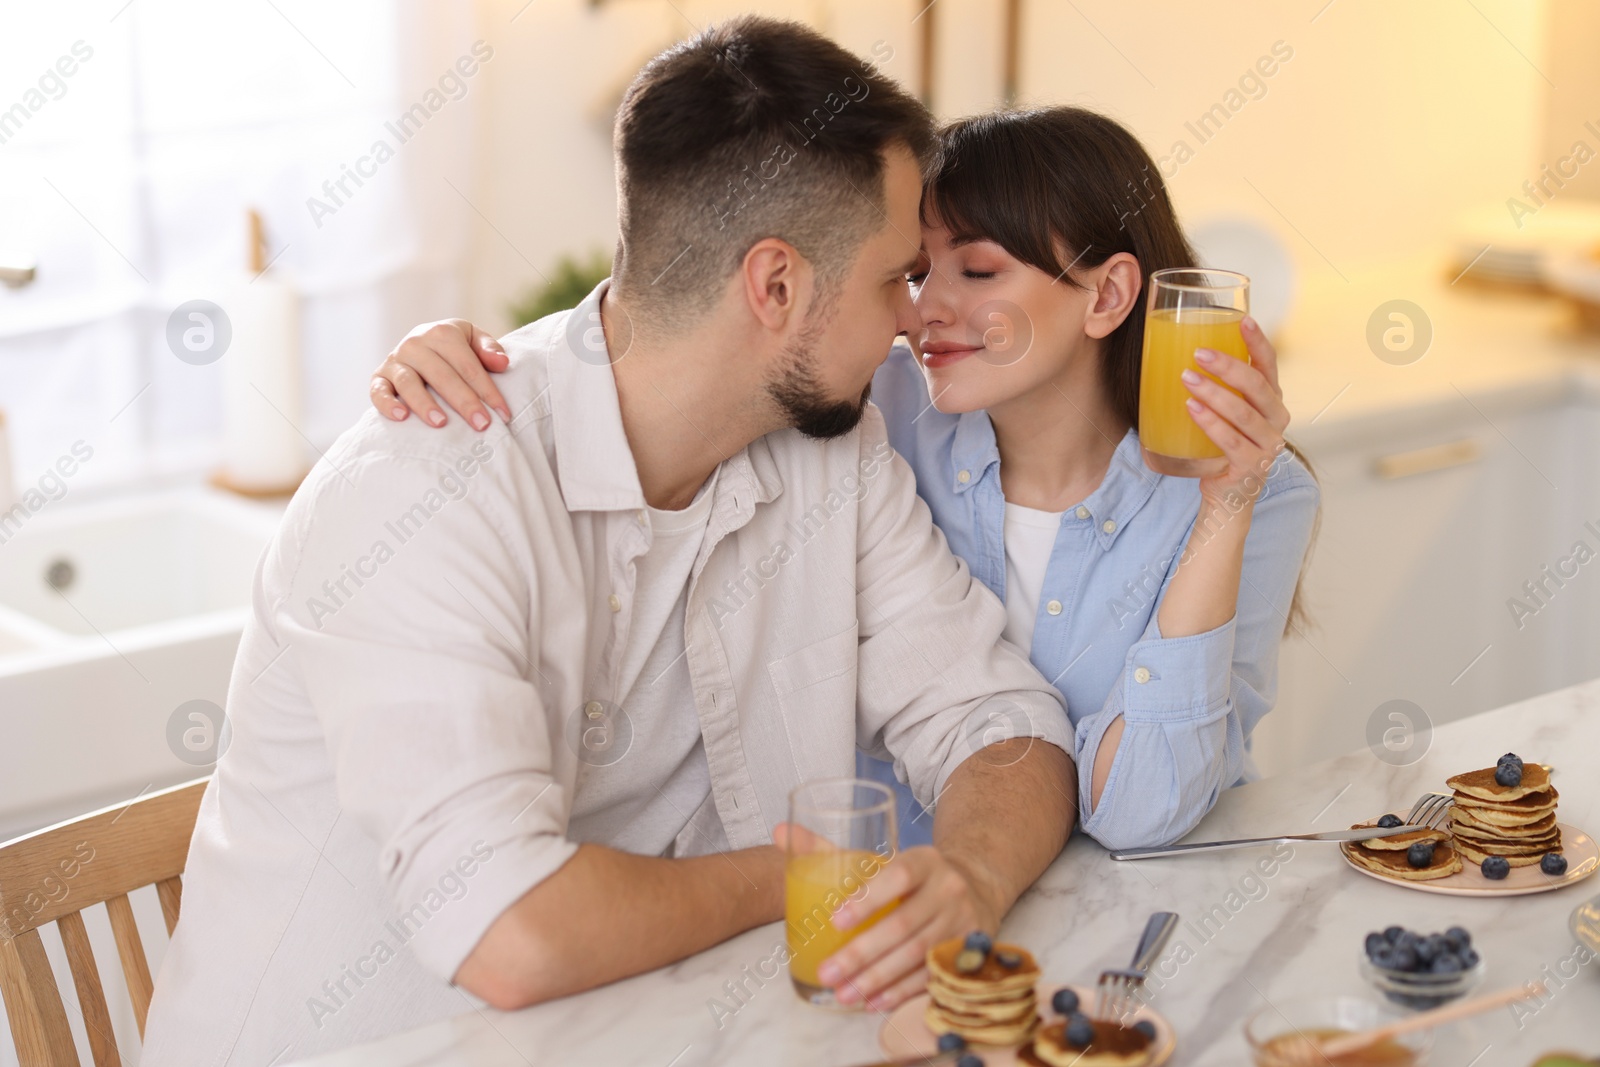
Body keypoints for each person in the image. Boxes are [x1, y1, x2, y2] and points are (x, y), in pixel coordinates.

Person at [142, 19, 1081, 1063]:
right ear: (774, 287)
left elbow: (997, 714)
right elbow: (515, 932)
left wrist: (970, 874)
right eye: (893, 278)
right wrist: (799, 877)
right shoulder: (423, 492)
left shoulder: (835, 452)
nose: (912, 320)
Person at [369, 109, 1320, 855]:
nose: (925, 311)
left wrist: (1223, 510)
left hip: (1131, 930)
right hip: (898, 923)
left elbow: (1141, 811)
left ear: (1108, 295)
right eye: (913, 273)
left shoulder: (1252, 499)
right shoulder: (875, 419)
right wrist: (489, 357)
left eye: (977, 272)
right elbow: (683, 355)